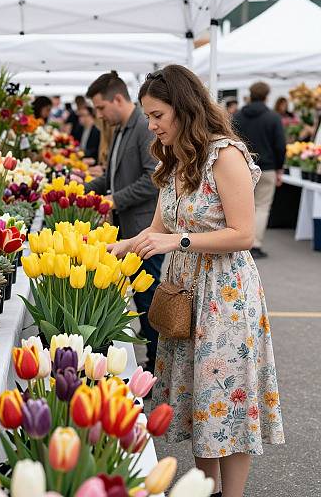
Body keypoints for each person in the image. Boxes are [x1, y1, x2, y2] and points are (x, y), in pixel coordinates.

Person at [109, 65, 284, 497]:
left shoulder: (225, 155)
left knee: (229, 397)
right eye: (148, 116)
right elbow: (156, 231)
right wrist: (117, 248)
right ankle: (205, 489)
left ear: (183, 110)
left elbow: (243, 234)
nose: (150, 125)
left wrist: (180, 242)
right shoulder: (172, 160)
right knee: (205, 402)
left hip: (224, 292)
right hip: (186, 290)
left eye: (157, 115)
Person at [84, 70, 163, 373]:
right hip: (127, 228)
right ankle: (152, 355)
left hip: (145, 229)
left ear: (118, 98)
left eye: (101, 108)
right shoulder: (120, 129)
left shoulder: (144, 127)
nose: (100, 115)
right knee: (141, 296)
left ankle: (156, 361)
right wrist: (83, 190)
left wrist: (115, 200)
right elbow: (111, 176)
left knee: (149, 297)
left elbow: (154, 178)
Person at [233, 82, 286, 259]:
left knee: (240, 206)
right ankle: (254, 243)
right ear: (266, 96)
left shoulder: (238, 116)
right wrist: (280, 168)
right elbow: (280, 145)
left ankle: (240, 241)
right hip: (267, 167)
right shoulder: (273, 117)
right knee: (262, 207)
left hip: (241, 167)